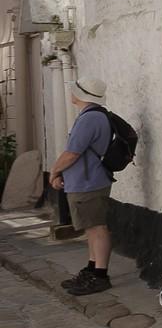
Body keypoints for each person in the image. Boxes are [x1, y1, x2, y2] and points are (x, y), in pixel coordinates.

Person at [51, 78, 116, 297]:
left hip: (89, 182)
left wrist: (54, 171)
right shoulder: (94, 116)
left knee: (97, 228)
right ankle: (92, 268)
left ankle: (100, 275)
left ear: (82, 94)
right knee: (91, 227)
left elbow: (72, 153)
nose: (71, 92)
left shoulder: (90, 119)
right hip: (87, 180)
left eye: (74, 90)